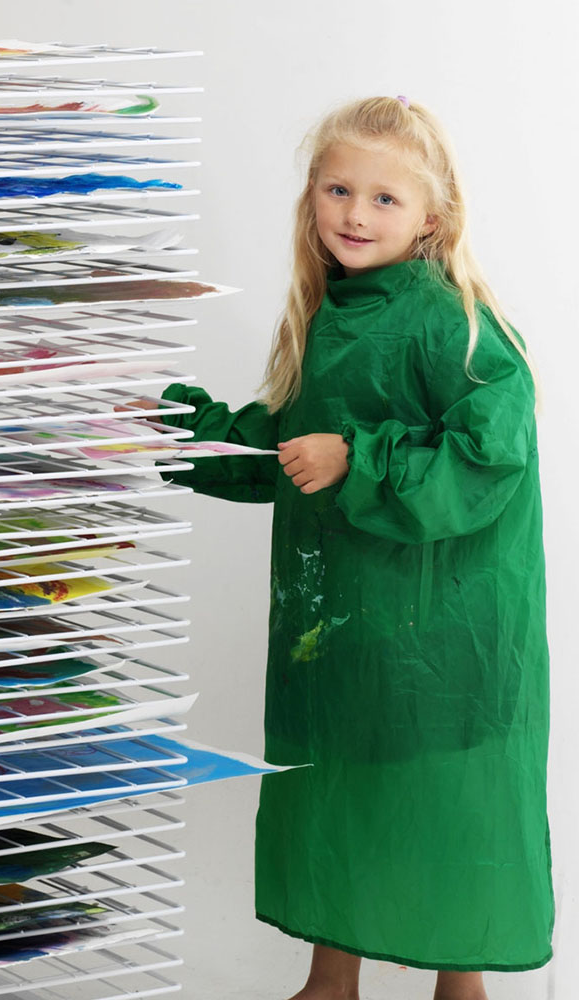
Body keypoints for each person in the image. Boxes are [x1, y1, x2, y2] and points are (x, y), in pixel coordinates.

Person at [132, 96, 553, 1000]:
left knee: (447, 795)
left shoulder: (455, 323)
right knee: (336, 788)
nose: (355, 214)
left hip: (447, 627)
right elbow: (294, 452)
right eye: (338, 188)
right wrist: (181, 434)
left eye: (384, 199)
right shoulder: (333, 313)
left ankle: (462, 983)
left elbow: (491, 456)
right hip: (347, 624)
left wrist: (357, 457)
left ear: (431, 217)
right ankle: (332, 978)